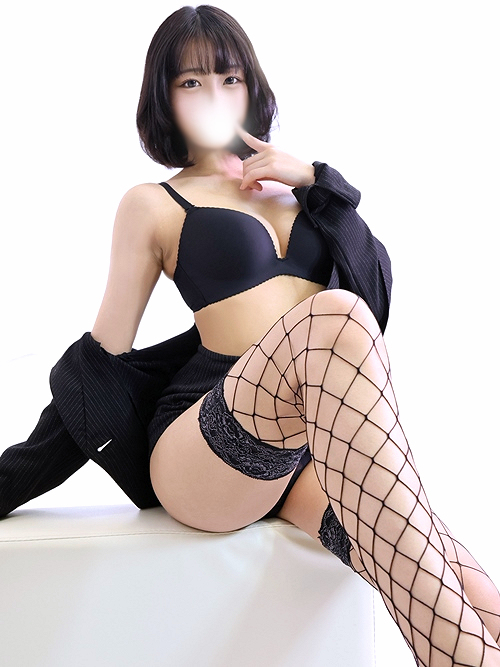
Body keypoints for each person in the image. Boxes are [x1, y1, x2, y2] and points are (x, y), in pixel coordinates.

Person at [1, 5, 499, 666]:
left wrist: (317, 183)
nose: (213, 95)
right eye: (191, 82)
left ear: (250, 87)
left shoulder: (299, 190)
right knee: (334, 317)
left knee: (451, 569)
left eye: (228, 78)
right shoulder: (153, 204)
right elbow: (99, 366)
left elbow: (374, 296)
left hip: (302, 455)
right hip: (205, 444)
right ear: (164, 98)